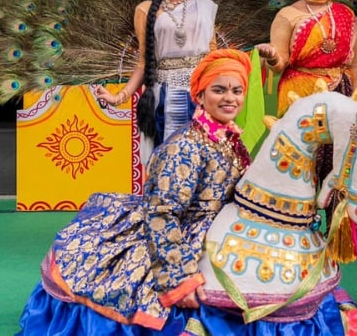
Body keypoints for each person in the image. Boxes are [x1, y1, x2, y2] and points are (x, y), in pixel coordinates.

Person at [17, 49, 253, 334]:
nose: (230, 98)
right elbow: (162, 213)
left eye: (237, 90)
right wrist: (179, 279)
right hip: (177, 235)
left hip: (220, 233)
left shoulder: (230, 139)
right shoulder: (184, 147)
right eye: (219, 90)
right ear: (200, 96)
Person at [256, 0, 357, 239]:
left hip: (340, 92)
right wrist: (271, 58)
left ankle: (338, 233)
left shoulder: (346, 15)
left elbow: (355, 63)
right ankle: (297, 228)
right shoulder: (287, 15)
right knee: (304, 162)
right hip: (300, 95)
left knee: (340, 161)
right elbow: (281, 63)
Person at [95, 0, 218, 164]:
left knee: (203, 157)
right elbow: (144, 62)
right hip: (165, 95)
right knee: (170, 157)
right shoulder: (145, 10)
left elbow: (214, 56)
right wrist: (118, 97)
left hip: (201, 94)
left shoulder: (203, 8)